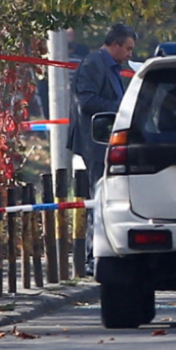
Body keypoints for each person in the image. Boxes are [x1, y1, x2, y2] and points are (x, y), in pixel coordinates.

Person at [66, 23, 137, 276]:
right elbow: (86, 101)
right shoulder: (94, 64)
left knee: (108, 199)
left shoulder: (113, 67)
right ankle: (91, 256)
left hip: (108, 143)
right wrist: (121, 109)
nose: (130, 54)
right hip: (95, 142)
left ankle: (103, 251)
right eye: (127, 48)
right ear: (115, 44)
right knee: (99, 198)